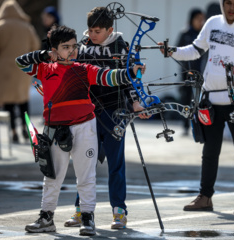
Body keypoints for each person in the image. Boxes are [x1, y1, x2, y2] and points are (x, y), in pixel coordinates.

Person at [15, 25, 145, 235]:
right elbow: (20, 62)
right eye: (65, 47)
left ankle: (87, 218)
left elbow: (109, 76)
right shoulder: (44, 68)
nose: (72, 51)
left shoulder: (83, 69)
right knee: (52, 177)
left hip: (85, 127)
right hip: (55, 130)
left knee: (86, 176)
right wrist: (43, 55)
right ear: (54, 50)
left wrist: (130, 72)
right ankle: (46, 217)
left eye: (74, 46)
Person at [159, 0, 234, 214]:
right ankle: (205, 196)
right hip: (211, 100)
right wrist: (172, 51)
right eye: (227, 2)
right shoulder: (212, 23)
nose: (231, 8)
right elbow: (194, 50)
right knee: (210, 151)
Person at [63, 6, 149, 230]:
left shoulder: (121, 46)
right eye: (90, 30)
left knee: (115, 164)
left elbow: (131, 78)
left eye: (97, 31)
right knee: (85, 164)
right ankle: (81, 210)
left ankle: (119, 212)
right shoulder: (81, 47)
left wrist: (137, 103)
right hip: (87, 111)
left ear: (111, 29)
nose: (92, 35)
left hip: (115, 111)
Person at [0, 0, 40, 143]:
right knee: (23, 100)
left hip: (5, 70)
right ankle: (25, 128)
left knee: (8, 103)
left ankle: (13, 131)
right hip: (23, 69)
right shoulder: (26, 27)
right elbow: (35, 45)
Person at [176, 8, 205, 136]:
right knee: (186, 101)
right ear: (192, 19)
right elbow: (178, 51)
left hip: (202, 74)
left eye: (202, 19)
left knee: (200, 101)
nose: (201, 21)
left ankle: (200, 125)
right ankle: (186, 126)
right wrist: (184, 69)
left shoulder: (204, 34)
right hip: (187, 75)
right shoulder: (185, 33)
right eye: (198, 19)